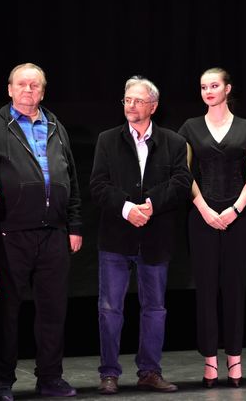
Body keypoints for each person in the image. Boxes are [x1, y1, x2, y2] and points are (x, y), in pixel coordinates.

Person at [0, 63, 82, 400]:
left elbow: (71, 177)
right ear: (10, 89)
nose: (28, 90)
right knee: (5, 312)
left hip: (54, 232)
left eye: (35, 85)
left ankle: (50, 377)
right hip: (10, 233)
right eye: (22, 84)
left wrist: (74, 224)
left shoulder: (55, 125)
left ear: (43, 90)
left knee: (53, 311)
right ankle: (1, 381)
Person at [89, 76, 191, 395]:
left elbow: (182, 183)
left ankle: (149, 371)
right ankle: (109, 373)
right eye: (127, 100)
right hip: (116, 238)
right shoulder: (107, 139)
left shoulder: (174, 142)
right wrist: (126, 208)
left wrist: (150, 204)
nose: (130, 105)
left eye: (137, 100)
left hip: (156, 237)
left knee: (155, 308)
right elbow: (98, 185)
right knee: (109, 309)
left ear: (153, 106)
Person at [178, 67, 246, 388]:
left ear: (227, 89)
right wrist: (204, 209)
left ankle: (235, 357)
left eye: (214, 85)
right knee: (206, 289)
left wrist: (235, 209)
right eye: (204, 87)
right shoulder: (190, 127)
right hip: (202, 217)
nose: (208, 91)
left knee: (235, 287)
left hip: (239, 217)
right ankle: (210, 359)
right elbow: (185, 173)